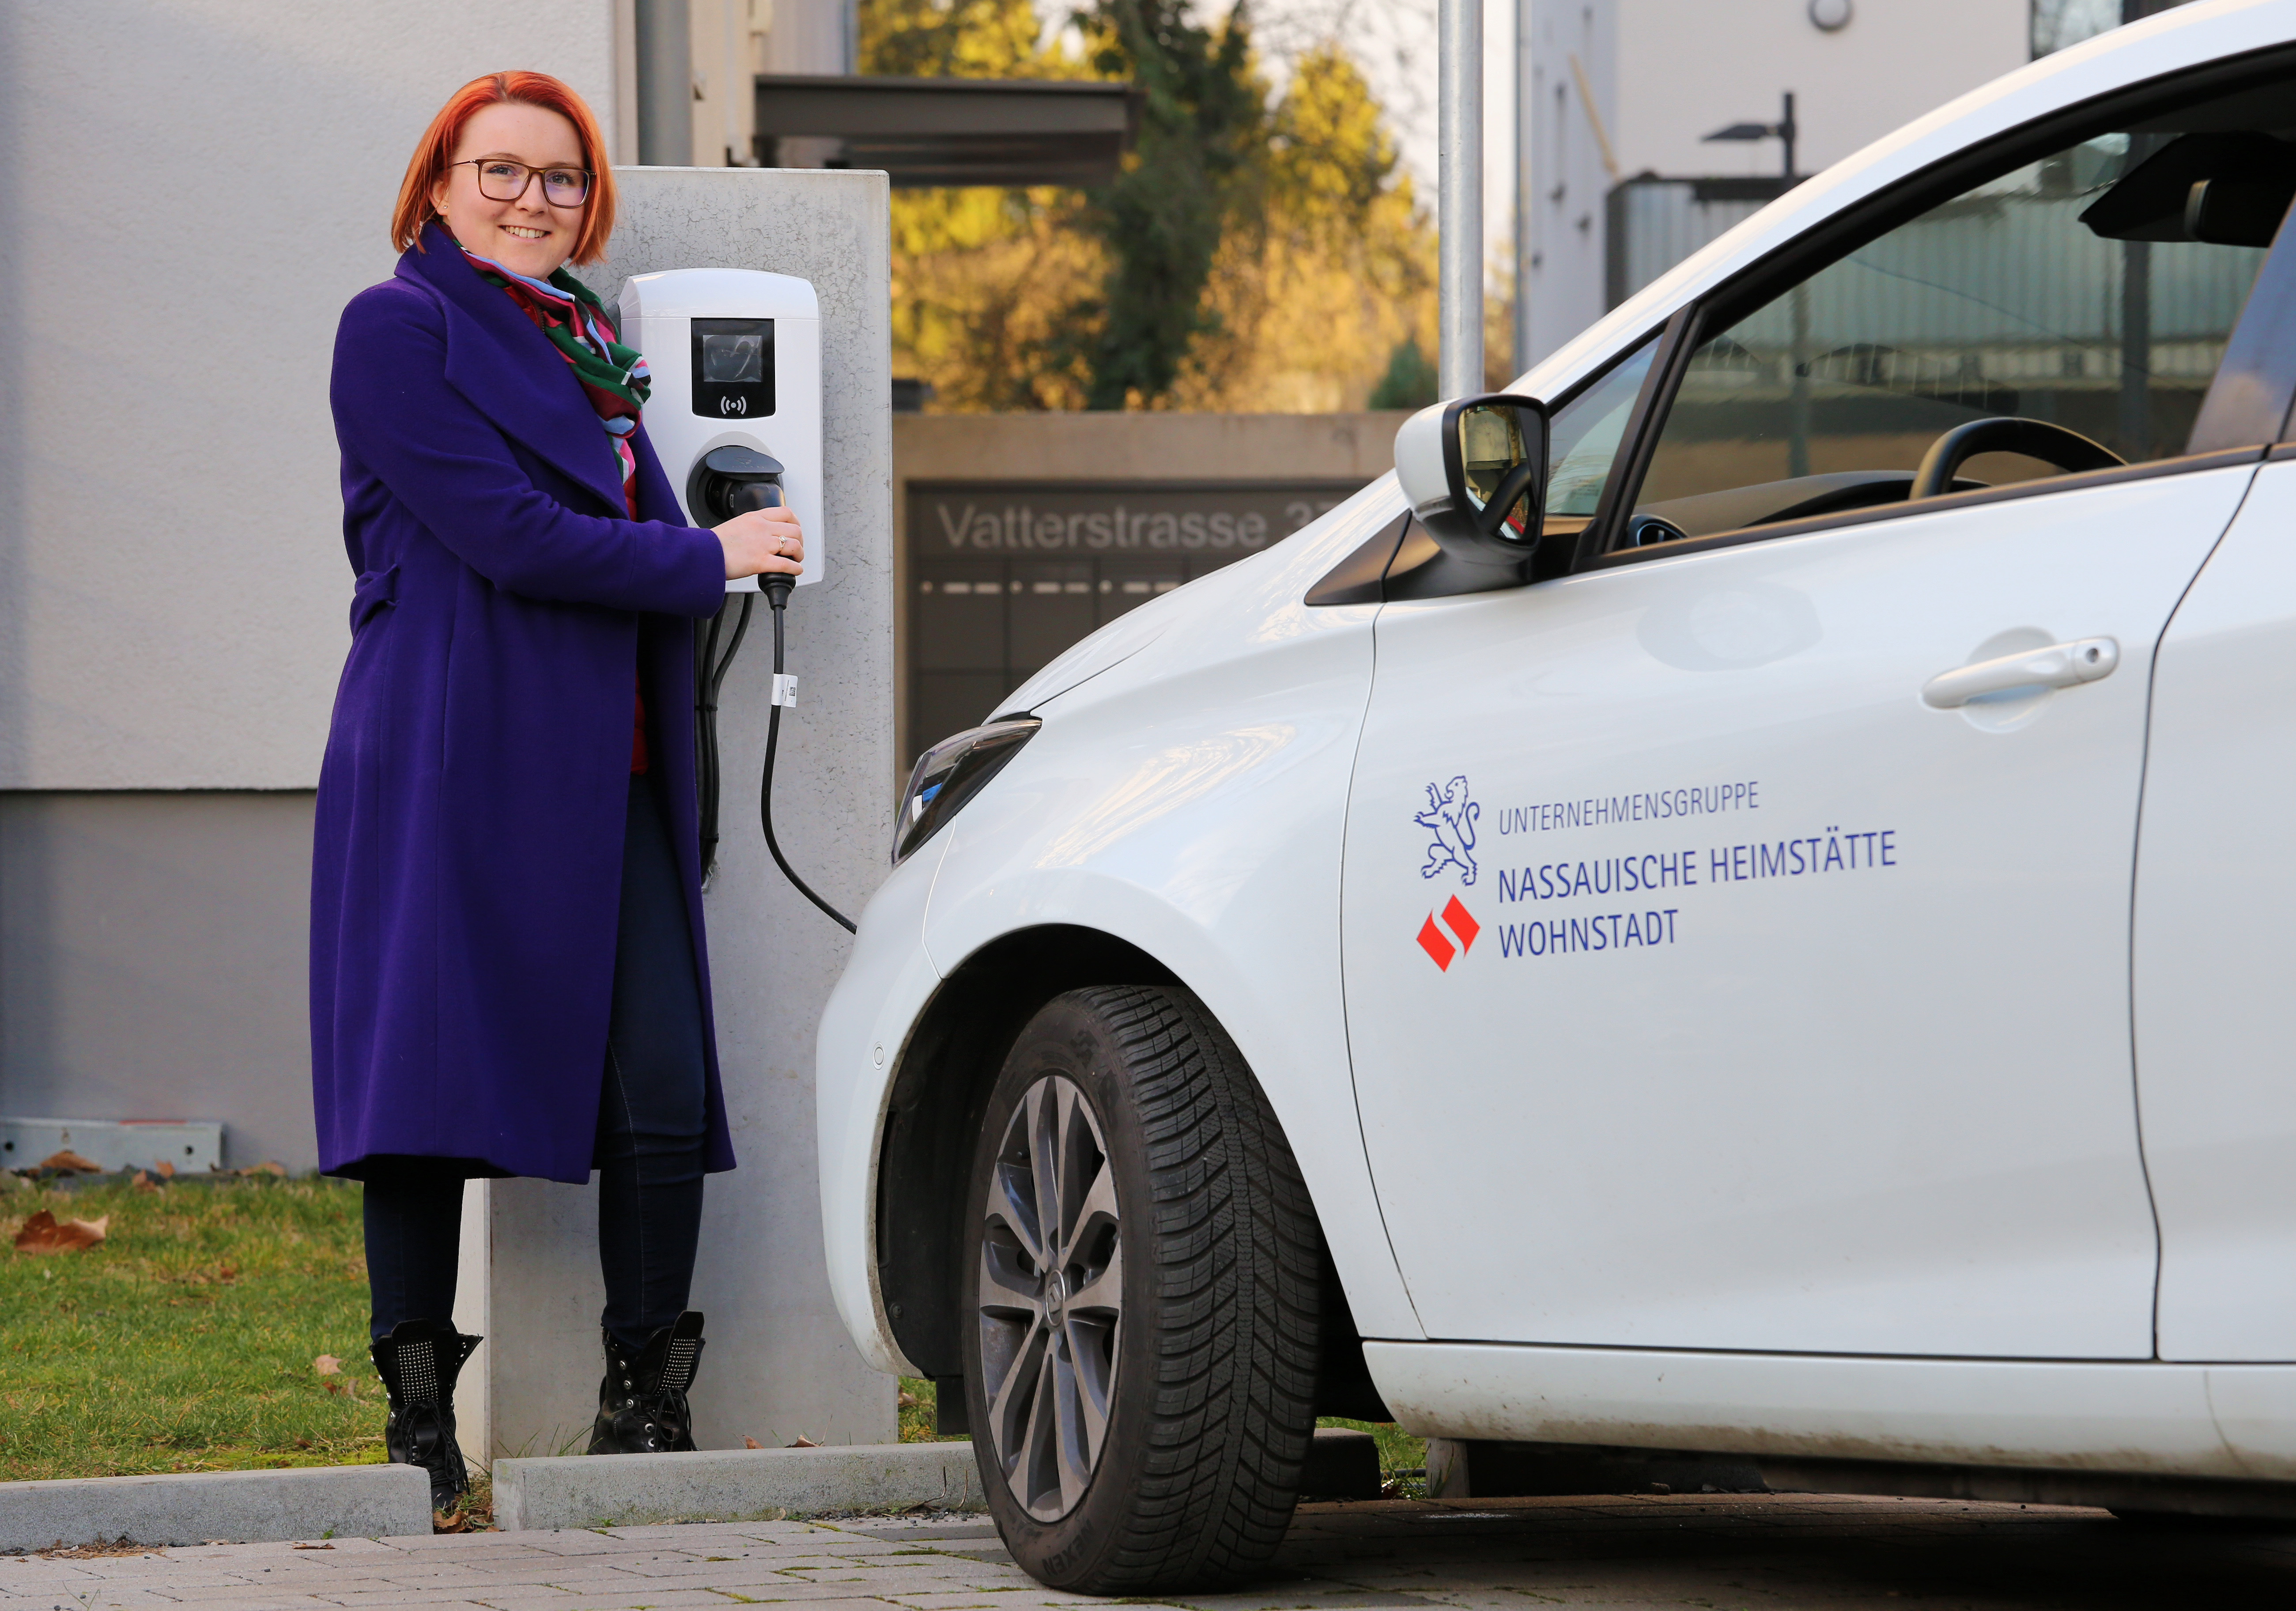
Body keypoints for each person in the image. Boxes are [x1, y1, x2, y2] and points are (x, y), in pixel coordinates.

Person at [310, 70, 802, 1510]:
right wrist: (710, 557)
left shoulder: (592, 348)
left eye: (563, 178)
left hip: (614, 763)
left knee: (659, 1084)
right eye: (503, 172)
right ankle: (418, 1434)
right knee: (425, 1080)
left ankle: (641, 1410)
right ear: (439, 186)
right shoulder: (395, 328)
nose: (535, 199)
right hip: (455, 750)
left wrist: (696, 555)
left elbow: (594, 527)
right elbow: (509, 534)